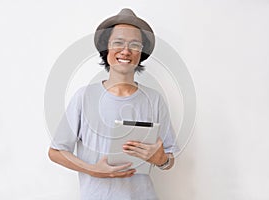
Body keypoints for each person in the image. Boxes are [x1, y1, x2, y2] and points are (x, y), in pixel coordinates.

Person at [48, 8, 178, 200]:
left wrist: (161, 160)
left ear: (140, 53)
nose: (126, 51)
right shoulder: (84, 97)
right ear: (106, 48)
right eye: (118, 42)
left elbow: (169, 157)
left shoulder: (154, 99)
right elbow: (56, 152)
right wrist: (93, 170)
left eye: (134, 45)